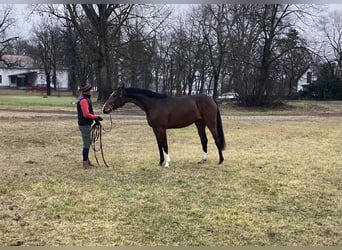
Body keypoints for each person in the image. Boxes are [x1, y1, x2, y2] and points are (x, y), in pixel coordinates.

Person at [77, 83, 103, 169]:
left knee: (87, 143)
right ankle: (85, 163)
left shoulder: (86, 98)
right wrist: (96, 117)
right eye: (90, 90)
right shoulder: (84, 100)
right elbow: (86, 114)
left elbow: (89, 112)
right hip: (84, 125)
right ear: (87, 91)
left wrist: (95, 119)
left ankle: (87, 161)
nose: (91, 91)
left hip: (86, 124)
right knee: (86, 144)